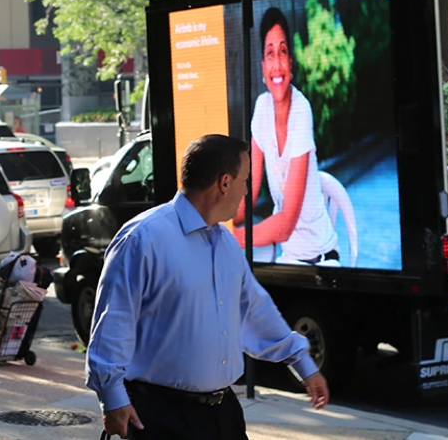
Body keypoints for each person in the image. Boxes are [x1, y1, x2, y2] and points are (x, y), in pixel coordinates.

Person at [86, 134, 329, 440]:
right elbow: (113, 322)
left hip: (223, 414)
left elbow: (255, 311)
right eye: (245, 180)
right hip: (158, 418)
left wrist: (302, 362)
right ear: (224, 183)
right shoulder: (142, 238)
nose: (246, 191)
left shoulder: (225, 243)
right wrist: (112, 399)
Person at [234, 7, 340, 266]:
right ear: (262, 65)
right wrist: (214, 216)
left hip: (322, 263)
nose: (277, 63)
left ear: (291, 62)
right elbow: (249, 190)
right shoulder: (261, 108)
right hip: (290, 259)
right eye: (270, 53)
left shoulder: (302, 110)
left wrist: (232, 237)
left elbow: (285, 225)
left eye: (282, 52)